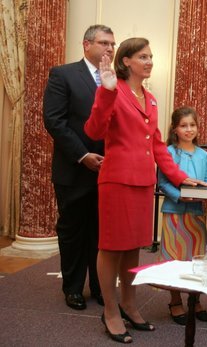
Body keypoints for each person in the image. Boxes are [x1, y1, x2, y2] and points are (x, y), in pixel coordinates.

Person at [84, 37, 206, 344]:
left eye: (151, 56)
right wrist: (106, 92)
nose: (149, 61)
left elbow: (157, 146)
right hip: (116, 181)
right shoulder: (113, 90)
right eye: (143, 56)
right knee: (112, 246)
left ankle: (129, 303)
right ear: (126, 61)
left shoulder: (150, 99)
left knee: (133, 247)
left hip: (143, 183)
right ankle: (111, 311)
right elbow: (94, 131)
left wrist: (180, 177)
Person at [43, 24, 115, 311]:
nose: (110, 48)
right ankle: (73, 288)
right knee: (73, 231)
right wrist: (83, 155)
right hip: (73, 170)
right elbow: (54, 121)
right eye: (104, 42)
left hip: (108, 171)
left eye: (112, 43)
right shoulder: (63, 74)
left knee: (100, 233)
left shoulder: (116, 80)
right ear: (86, 45)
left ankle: (100, 287)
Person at [157, 106, 207, 325]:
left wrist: (206, 193)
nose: (189, 129)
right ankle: (175, 301)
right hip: (174, 213)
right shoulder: (168, 153)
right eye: (183, 125)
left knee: (196, 259)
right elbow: (162, 182)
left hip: (196, 216)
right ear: (175, 129)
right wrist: (180, 196)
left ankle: (195, 300)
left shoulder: (202, 154)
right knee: (174, 259)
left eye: (192, 125)